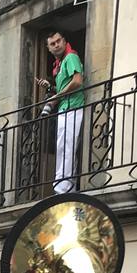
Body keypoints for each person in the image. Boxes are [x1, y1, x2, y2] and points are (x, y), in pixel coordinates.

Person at [36, 29, 85, 193]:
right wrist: (50, 88)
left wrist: (56, 95)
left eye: (58, 41)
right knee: (63, 147)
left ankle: (65, 187)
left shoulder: (71, 57)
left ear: (64, 41)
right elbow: (64, 88)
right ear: (49, 48)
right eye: (52, 44)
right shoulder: (59, 65)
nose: (56, 45)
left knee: (68, 146)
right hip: (65, 108)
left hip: (73, 107)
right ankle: (62, 185)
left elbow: (77, 81)